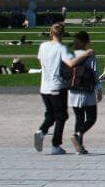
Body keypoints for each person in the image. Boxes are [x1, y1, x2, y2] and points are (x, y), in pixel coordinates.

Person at [34, 23, 87, 154]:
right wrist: (86, 54)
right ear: (63, 34)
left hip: (44, 86)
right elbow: (71, 63)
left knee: (50, 114)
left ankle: (41, 132)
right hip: (57, 86)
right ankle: (54, 145)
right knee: (61, 116)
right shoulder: (61, 48)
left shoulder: (43, 46)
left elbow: (40, 61)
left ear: (50, 33)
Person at [67, 30, 102, 155]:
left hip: (74, 90)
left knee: (79, 119)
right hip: (88, 90)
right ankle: (77, 137)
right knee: (92, 118)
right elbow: (94, 72)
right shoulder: (90, 54)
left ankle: (79, 147)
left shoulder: (70, 54)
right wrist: (99, 89)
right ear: (85, 42)